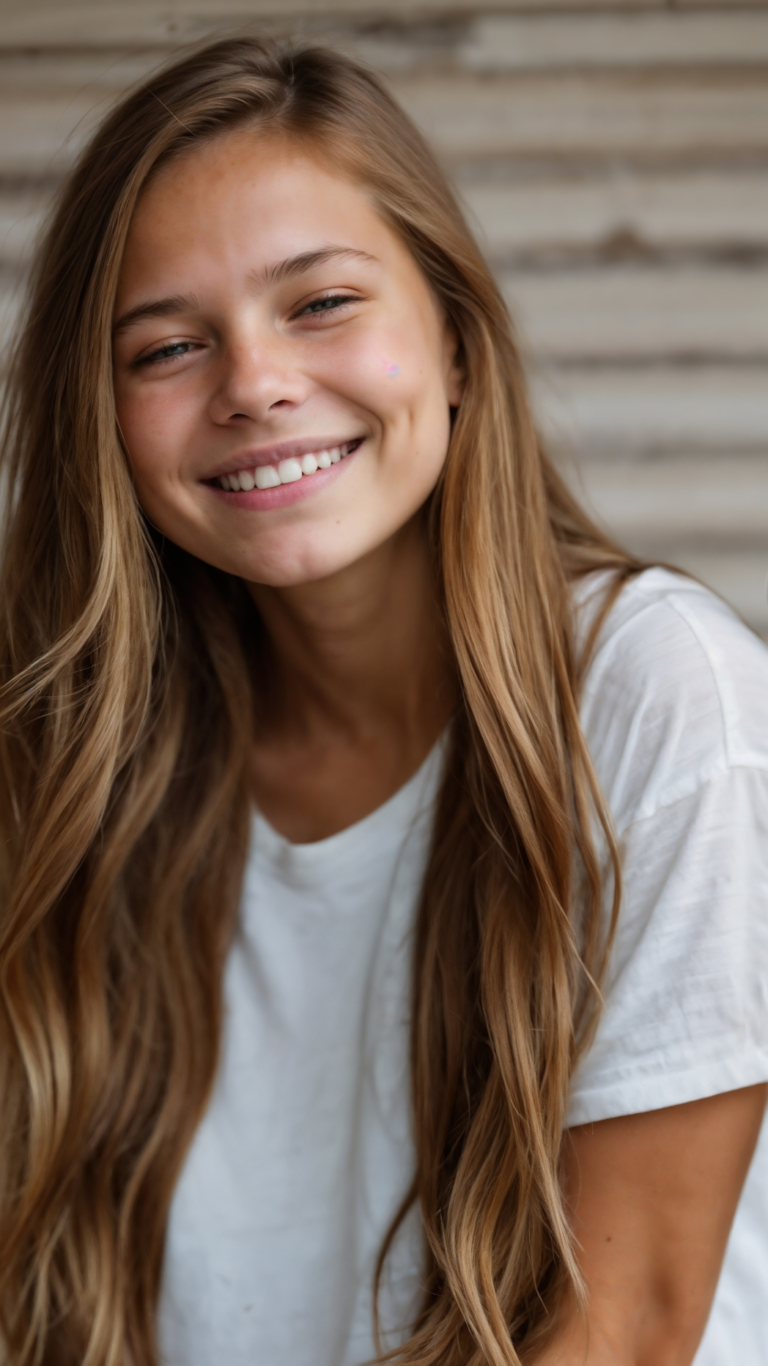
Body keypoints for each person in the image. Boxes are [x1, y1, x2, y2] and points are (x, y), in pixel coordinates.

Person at [0, 35, 765, 1366]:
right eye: (169, 346)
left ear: (458, 344)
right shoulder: (67, 763)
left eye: (320, 303)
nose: (255, 384)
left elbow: (629, 1327)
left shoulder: (655, 694)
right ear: (101, 424)